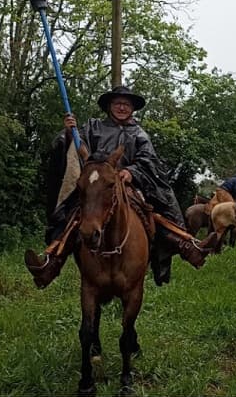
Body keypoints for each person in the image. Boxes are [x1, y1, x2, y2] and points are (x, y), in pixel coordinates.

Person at [24, 85, 219, 288]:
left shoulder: (140, 134)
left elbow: (149, 160)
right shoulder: (93, 127)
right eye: (118, 103)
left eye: (126, 104)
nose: (122, 108)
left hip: (130, 184)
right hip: (97, 186)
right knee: (72, 216)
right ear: (109, 106)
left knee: (156, 212)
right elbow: (76, 146)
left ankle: (188, 246)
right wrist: (67, 132)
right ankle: (50, 263)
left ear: (133, 108)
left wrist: (132, 171)